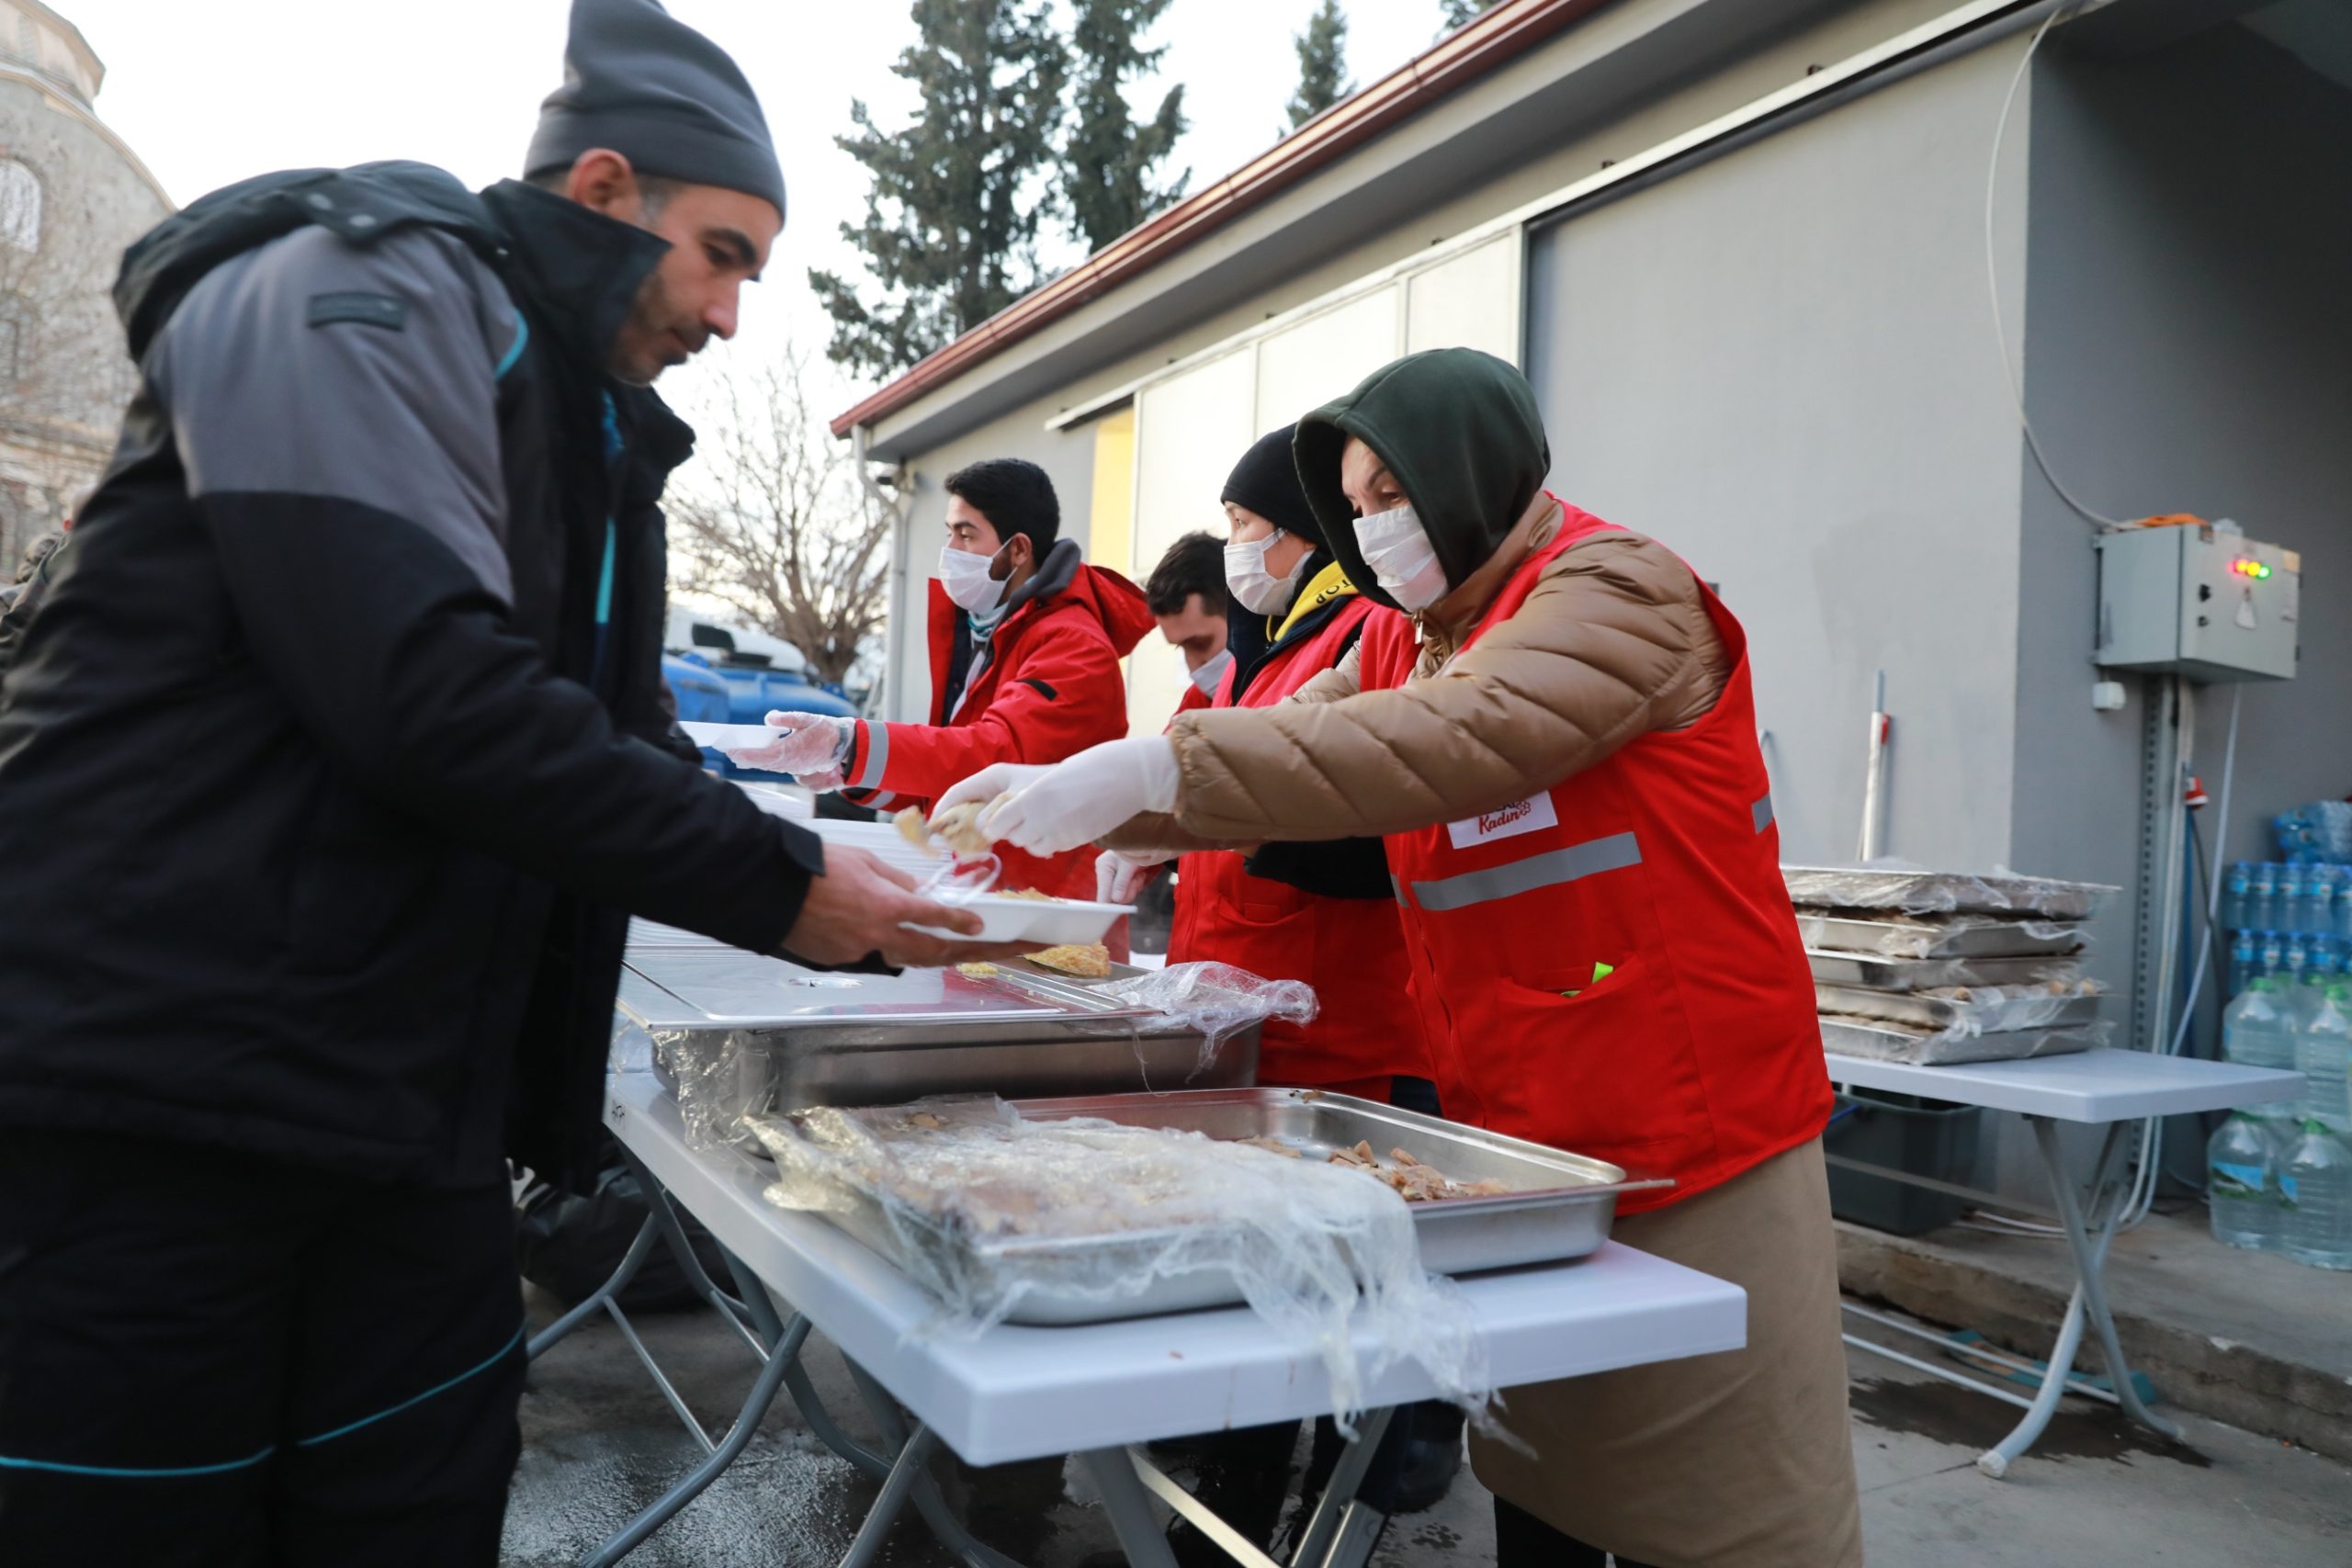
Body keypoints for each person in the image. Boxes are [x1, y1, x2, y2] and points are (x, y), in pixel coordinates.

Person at [0, 4, 1011, 1563]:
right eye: (723, 254)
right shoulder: (351, 288)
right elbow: (420, 685)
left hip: (402, 1117)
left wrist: (846, 882)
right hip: (156, 1110)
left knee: (417, 1510)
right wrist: (781, 885)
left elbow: (616, 736)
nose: (733, 312)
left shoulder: (591, 430)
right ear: (603, 189)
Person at [940, 348, 1862, 1568]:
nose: (1375, 527)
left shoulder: (1617, 590)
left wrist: (1166, 769)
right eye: (1357, 504)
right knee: (1545, 1488)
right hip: (1529, 1149)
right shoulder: (1411, 639)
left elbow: (1449, 732)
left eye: (1394, 493)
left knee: (1721, 1517)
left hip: (1699, 1139)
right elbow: (1304, 732)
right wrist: (1107, 796)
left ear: (1470, 473)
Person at [1097, 429, 1454, 1567]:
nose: (1235, 548)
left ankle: (1330, 1512)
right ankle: (1237, 1510)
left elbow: (1338, 801)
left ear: (1301, 532)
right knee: (1269, 1289)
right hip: (1256, 1016)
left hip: (1343, 1024)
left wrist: (1203, 811)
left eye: (1247, 526)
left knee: (1346, 1298)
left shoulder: (1363, 630)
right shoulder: (1272, 647)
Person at [737, 457, 1151, 908]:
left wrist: (848, 742)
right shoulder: (993, 631)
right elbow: (953, 781)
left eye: (966, 535)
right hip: (991, 895)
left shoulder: (1072, 646)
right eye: (949, 532)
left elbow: (994, 757)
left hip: (1049, 910)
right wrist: (852, 770)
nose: (950, 549)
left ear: (1018, 550)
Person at [1143, 527, 1231, 714]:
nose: (1193, 668)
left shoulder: (1294, 690)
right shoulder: (1197, 703)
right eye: (1181, 648)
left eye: (1200, 644)